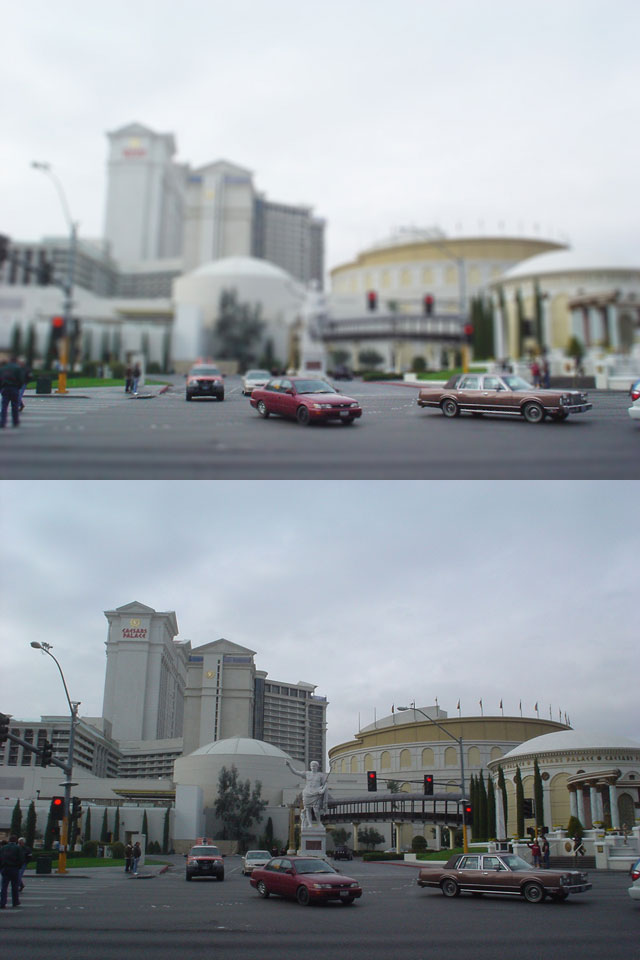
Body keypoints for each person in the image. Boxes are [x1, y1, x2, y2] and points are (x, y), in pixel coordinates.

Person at [285, 759, 329, 828]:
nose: (313, 767)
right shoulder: (307, 773)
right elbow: (295, 772)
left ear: (317, 767)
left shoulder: (320, 775)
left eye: (314, 766)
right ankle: (310, 824)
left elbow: (325, 784)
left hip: (316, 793)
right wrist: (289, 765)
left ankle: (318, 822)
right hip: (307, 793)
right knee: (307, 809)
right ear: (310, 767)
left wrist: (323, 790)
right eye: (312, 766)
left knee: (316, 810)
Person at [0, 355, 27, 429]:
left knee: (4, 406)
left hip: (5, 388)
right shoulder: (18, 368)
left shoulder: (3, 368)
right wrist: (18, 387)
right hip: (14, 388)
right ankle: (15, 421)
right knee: (14, 406)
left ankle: (3, 422)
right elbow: (21, 379)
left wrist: (1, 387)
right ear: (16, 361)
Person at [1, 834, 25, 909]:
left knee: (4, 887)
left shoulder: (4, 848)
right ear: (16, 841)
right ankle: (15, 901)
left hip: (5, 868)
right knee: (14, 886)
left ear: (9, 840)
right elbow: (21, 859)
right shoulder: (18, 848)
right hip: (14, 868)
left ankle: (2, 903)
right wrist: (19, 867)